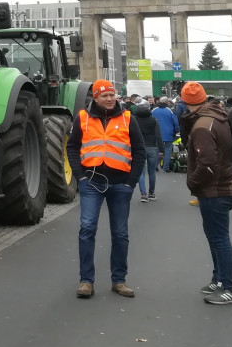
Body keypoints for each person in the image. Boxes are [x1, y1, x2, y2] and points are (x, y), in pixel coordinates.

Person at [67, 79, 146, 299]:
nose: (110, 99)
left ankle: (119, 281)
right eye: (105, 96)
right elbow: (72, 147)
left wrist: (131, 183)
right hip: (91, 182)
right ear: (95, 98)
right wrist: (80, 177)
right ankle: (86, 281)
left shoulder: (127, 118)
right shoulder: (82, 118)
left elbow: (139, 152)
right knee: (87, 228)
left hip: (120, 183)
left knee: (120, 233)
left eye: (112, 95)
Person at [180, 81, 232, 305]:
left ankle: (228, 287)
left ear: (185, 102)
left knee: (220, 239)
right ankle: (218, 280)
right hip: (225, 185)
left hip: (215, 189)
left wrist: (193, 184)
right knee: (215, 237)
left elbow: (207, 164)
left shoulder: (202, 126)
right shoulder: (218, 117)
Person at [132, 97, 160, 202]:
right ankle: (152, 193)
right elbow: (158, 135)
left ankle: (143, 194)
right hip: (152, 146)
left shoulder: (134, 120)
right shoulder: (153, 120)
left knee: (141, 172)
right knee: (152, 171)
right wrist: (161, 149)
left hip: (139, 148)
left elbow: (131, 134)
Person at [153, 97, 180, 171]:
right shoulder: (170, 111)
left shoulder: (154, 110)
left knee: (158, 150)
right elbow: (175, 122)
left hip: (156, 133)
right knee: (168, 150)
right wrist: (176, 130)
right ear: (167, 102)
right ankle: (166, 168)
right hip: (169, 133)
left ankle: (155, 166)